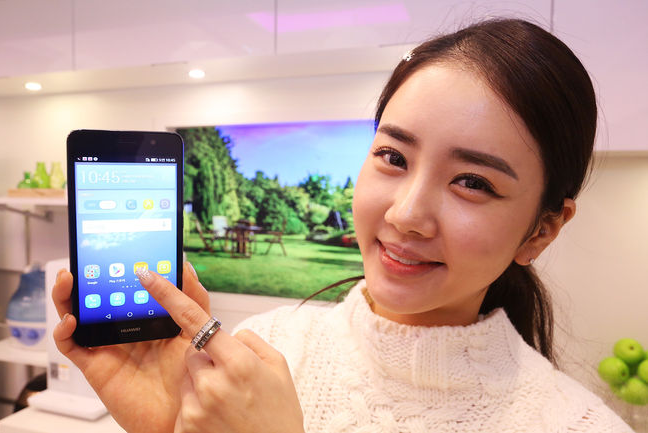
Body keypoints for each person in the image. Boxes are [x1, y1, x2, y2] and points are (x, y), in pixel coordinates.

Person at [52, 18, 633, 433]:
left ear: (542, 230)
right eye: (393, 156)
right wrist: (167, 427)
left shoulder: (577, 423)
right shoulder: (263, 351)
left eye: (473, 182)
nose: (405, 214)